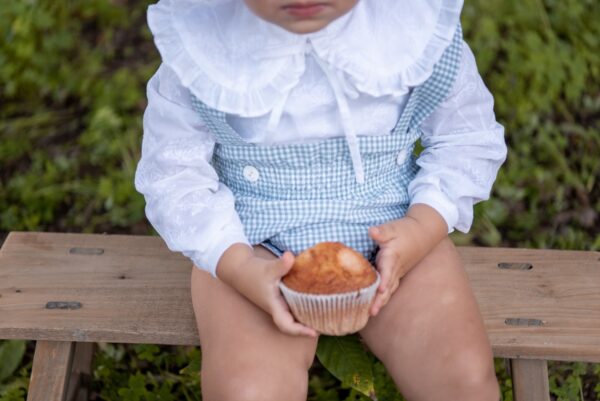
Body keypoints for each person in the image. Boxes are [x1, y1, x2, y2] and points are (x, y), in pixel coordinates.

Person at [135, 0, 508, 399]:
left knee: (461, 374)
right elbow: (174, 173)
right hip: (253, 242)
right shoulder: (204, 42)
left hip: (394, 228)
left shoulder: (410, 25)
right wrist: (236, 264)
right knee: (246, 390)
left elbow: (465, 139)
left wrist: (423, 225)